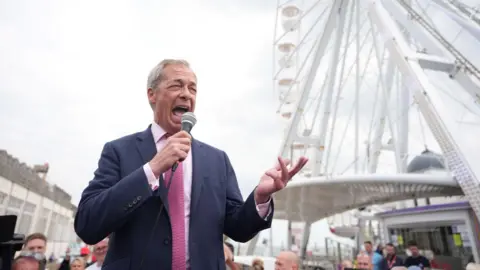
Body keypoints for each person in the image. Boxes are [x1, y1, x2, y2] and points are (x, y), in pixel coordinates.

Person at [74, 59, 308, 270]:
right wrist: (152, 169)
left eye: (192, 88)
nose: (187, 94)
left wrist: (260, 198)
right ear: (151, 94)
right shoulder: (118, 151)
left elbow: (239, 229)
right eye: (176, 85)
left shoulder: (217, 160)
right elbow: (88, 224)